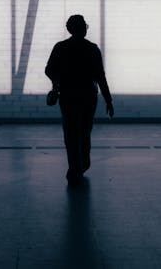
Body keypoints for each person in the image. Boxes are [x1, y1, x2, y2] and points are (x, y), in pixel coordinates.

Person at [45, 14, 114, 185]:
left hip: (68, 96)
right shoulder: (92, 49)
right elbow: (100, 76)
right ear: (82, 28)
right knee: (84, 131)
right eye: (83, 25)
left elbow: (49, 70)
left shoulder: (60, 47)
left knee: (70, 133)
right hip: (88, 97)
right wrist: (108, 100)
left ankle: (75, 167)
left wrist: (57, 82)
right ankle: (82, 164)